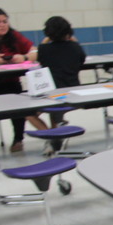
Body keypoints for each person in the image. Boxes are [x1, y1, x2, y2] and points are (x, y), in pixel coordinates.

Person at [0, 6, 38, 152]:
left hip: (11, 83)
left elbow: (35, 51)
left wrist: (23, 57)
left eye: (5, 21)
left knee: (19, 110)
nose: (2, 25)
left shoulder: (14, 36)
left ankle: (18, 139)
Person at [35, 16, 85, 145]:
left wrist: (46, 40)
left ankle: (51, 135)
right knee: (55, 108)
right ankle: (55, 132)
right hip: (73, 93)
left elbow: (40, 58)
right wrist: (73, 40)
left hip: (52, 94)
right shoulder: (75, 47)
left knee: (27, 113)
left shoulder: (43, 49)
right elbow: (81, 60)